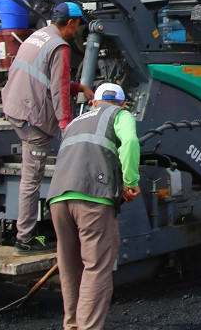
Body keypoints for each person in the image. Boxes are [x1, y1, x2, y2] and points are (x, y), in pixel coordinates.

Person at [48, 82, 140, 330]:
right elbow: (130, 143)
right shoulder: (120, 114)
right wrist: (130, 182)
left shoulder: (75, 122)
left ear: (93, 102)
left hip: (58, 198)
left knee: (69, 267)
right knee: (96, 266)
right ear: (122, 103)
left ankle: (72, 325)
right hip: (93, 198)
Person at [2, 1, 92, 254]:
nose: (77, 31)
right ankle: (26, 239)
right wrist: (66, 126)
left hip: (15, 107)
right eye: (78, 25)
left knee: (30, 176)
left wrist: (80, 88)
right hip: (33, 118)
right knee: (32, 179)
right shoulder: (61, 47)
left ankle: (28, 231)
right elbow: (58, 89)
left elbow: (46, 77)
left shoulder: (38, 36)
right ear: (71, 23)